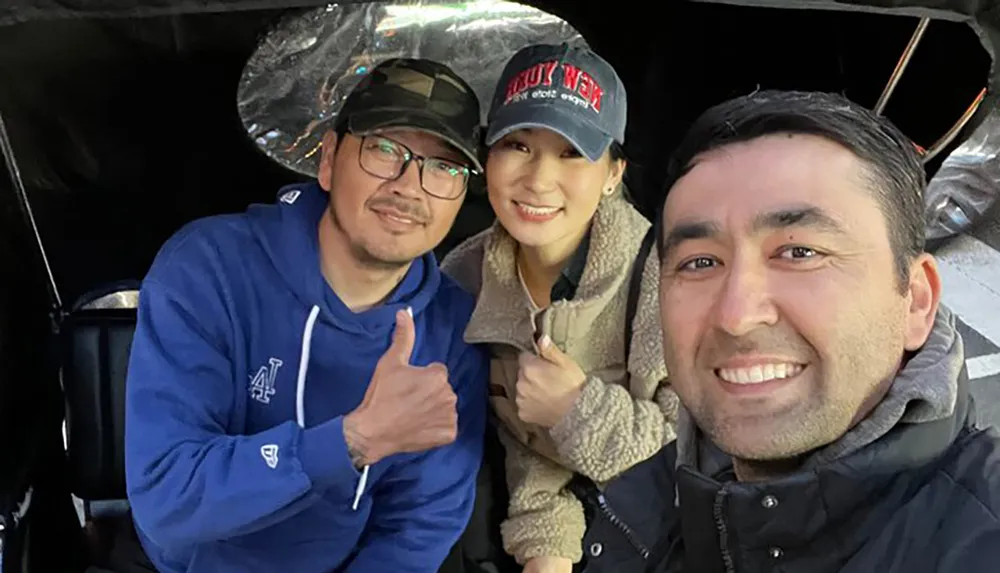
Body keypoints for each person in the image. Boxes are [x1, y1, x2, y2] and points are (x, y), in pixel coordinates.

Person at [595, 89, 1000, 572]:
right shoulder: (641, 510)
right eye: (701, 262)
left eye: (799, 253)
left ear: (916, 300)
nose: (737, 315)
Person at [123, 58, 490, 573]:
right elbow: (167, 499)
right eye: (385, 150)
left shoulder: (453, 330)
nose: (410, 187)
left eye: (445, 167)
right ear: (329, 159)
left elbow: (416, 529)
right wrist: (352, 440)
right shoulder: (210, 269)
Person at [441, 43, 678, 573]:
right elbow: (520, 456)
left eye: (572, 152)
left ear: (614, 172)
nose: (539, 180)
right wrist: (546, 552)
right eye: (517, 145)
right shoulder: (463, 277)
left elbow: (700, 466)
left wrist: (577, 409)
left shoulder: (667, 276)